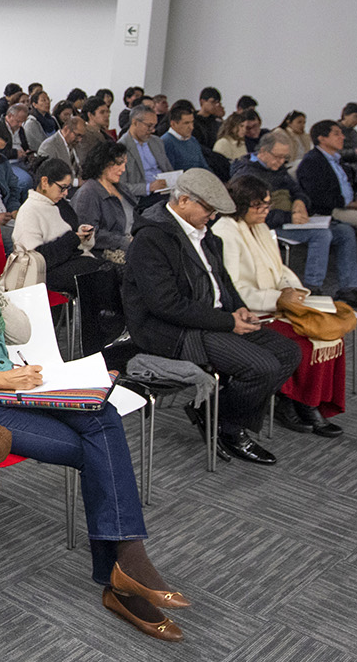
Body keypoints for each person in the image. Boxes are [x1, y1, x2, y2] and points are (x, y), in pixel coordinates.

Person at [0, 200, 187, 641]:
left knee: (101, 413)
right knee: (93, 450)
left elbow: (22, 332)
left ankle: (125, 567)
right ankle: (124, 573)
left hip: (12, 384)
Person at [123, 169, 299, 466]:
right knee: (263, 367)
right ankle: (229, 428)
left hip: (210, 318)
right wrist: (229, 321)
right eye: (208, 208)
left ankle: (212, 412)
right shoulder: (151, 239)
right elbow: (167, 305)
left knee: (288, 352)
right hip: (172, 331)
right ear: (183, 201)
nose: (213, 216)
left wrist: (239, 308)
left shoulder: (204, 233)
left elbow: (223, 280)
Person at [212, 175, 352, 439]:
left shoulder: (261, 227)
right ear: (241, 205)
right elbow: (234, 289)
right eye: (259, 206)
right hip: (251, 309)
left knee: (331, 333)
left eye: (267, 204)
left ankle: (312, 401)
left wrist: (291, 288)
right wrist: (276, 299)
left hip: (276, 301)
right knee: (305, 342)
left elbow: (279, 268)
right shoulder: (225, 232)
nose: (266, 210)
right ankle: (293, 401)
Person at [232, 134, 357, 301]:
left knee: (345, 231)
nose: (281, 162)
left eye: (285, 158)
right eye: (277, 157)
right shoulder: (247, 175)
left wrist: (300, 201)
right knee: (322, 235)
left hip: (291, 219)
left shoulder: (277, 169)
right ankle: (312, 288)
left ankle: (349, 288)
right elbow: (250, 213)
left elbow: (298, 190)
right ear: (263, 151)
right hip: (268, 225)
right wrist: (289, 217)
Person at [15, 159, 124, 351]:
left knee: (110, 273)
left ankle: (109, 334)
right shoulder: (29, 211)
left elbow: (71, 234)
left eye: (67, 188)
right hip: (47, 271)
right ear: (45, 182)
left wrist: (82, 235)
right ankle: (99, 340)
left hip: (70, 260)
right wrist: (73, 239)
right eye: (62, 188)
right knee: (101, 275)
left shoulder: (60, 204)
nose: (66, 193)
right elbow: (37, 258)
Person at [296, 120, 357, 293]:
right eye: (336, 134)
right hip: (330, 209)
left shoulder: (337, 159)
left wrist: (356, 197)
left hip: (349, 204)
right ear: (322, 138)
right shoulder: (312, 162)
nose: (342, 137)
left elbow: (347, 184)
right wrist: (348, 203)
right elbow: (317, 197)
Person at [73, 145, 136, 260]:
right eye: (119, 164)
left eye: (124, 164)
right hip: (108, 253)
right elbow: (90, 234)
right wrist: (125, 241)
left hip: (133, 243)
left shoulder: (121, 188)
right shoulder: (87, 194)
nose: (123, 169)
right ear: (103, 164)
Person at [116, 107, 174, 203]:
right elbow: (121, 186)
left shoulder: (157, 142)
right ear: (135, 122)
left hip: (165, 190)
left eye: (154, 126)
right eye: (149, 126)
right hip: (143, 197)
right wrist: (148, 187)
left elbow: (168, 169)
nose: (153, 130)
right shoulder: (121, 147)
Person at [159, 104, 206, 172]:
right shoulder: (166, 142)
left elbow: (204, 166)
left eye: (192, 122)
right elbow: (170, 173)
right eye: (186, 123)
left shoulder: (192, 140)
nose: (191, 127)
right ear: (173, 124)